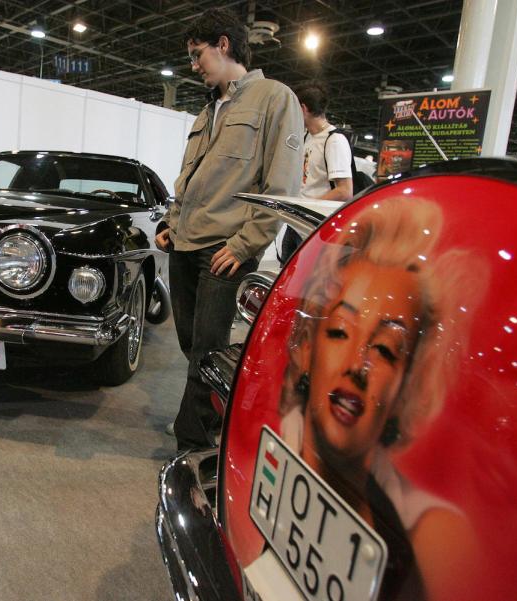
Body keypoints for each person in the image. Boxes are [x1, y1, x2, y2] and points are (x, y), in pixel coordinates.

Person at [277, 196, 487, 600]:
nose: (359, 365)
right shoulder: (262, 447)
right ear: (307, 347)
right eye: (339, 331)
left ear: (407, 386)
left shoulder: (433, 538)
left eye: (387, 349)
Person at [155, 7, 303, 450]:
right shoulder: (208, 109)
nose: (193, 65)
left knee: (206, 347)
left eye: (198, 54)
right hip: (185, 240)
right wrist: (170, 222)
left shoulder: (275, 98)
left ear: (224, 44)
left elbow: (281, 184)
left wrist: (246, 244)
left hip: (225, 245)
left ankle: (194, 442)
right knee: (191, 341)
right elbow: (191, 176)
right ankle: (217, 407)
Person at [279, 82, 354, 267]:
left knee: (307, 284)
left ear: (303, 108)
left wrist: (305, 207)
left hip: (316, 228)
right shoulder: (307, 137)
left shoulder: (334, 140)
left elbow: (345, 191)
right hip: (297, 223)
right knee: (286, 279)